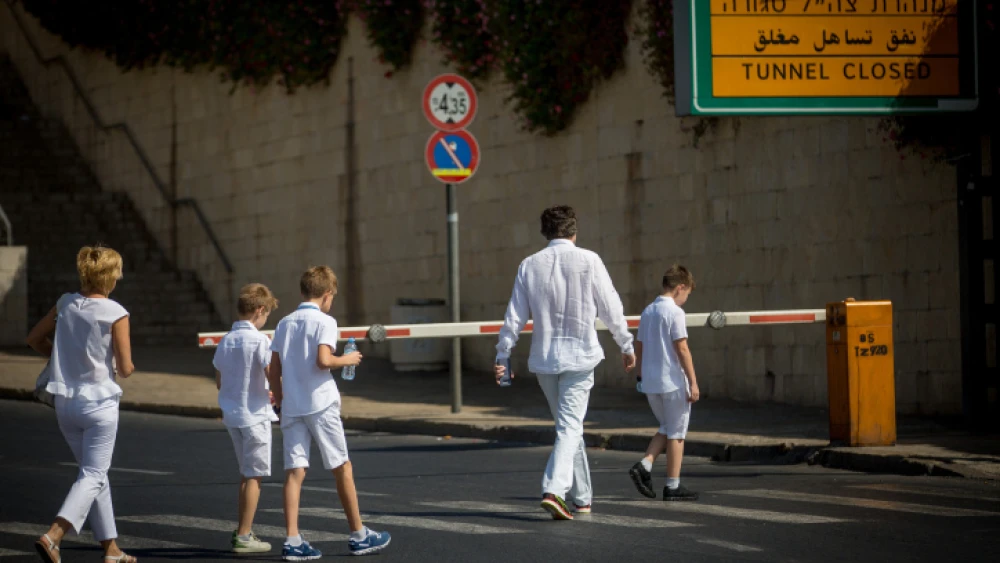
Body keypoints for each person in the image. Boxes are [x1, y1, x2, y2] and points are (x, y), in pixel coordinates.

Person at [494, 205, 636, 520]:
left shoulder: (529, 265)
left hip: (545, 359)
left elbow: (514, 316)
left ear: (545, 232)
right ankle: (554, 490)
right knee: (570, 427)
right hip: (581, 356)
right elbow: (611, 307)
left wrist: (503, 352)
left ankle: (582, 497)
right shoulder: (590, 260)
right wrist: (626, 344)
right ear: (574, 231)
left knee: (568, 427)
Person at [268, 266, 391, 559]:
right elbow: (324, 360)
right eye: (332, 297)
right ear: (326, 295)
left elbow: (273, 370)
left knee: (294, 472)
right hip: (320, 404)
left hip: (293, 406)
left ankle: (292, 539)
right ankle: (359, 534)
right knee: (342, 467)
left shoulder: (284, 323)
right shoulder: (326, 321)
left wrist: (281, 400)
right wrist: (346, 358)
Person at [26, 245, 137, 563]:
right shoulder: (116, 312)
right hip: (100, 405)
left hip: (65, 404)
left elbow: (34, 338)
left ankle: (111, 549)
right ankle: (53, 536)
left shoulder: (65, 303)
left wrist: (64, 359)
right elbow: (126, 368)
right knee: (92, 474)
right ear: (110, 276)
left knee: (95, 475)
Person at [213, 283, 280, 553]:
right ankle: (243, 535)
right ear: (260, 310)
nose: (265, 321)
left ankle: (244, 529)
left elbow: (219, 381)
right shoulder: (260, 341)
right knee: (254, 477)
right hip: (255, 415)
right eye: (266, 316)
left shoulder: (226, 340)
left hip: (233, 415)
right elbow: (270, 375)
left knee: (246, 475)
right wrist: (278, 395)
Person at [628, 265, 700, 501]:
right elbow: (682, 348)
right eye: (687, 294)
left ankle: (645, 465)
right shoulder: (675, 313)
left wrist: (639, 376)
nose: (686, 299)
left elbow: (639, 345)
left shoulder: (648, 311)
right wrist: (694, 381)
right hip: (672, 381)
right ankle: (673, 485)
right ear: (680, 287)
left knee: (666, 427)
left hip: (650, 382)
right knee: (677, 433)